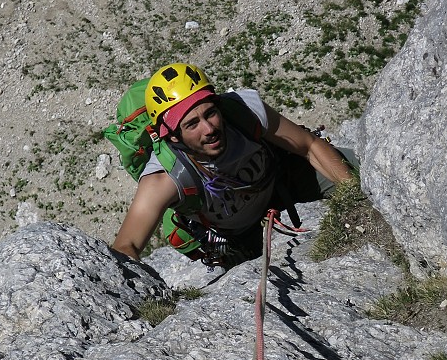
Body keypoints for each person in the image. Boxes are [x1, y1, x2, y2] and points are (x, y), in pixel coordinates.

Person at [111, 62, 356, 266]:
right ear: (172, 136)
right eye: (192, 124)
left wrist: (353, 193)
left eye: (210, 113)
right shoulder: (165, 177)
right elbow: (126, 245)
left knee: (366, 172)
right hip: (240, 238)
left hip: (285, 180)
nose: (209, 129)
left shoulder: (244, 111)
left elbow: (309, 145)